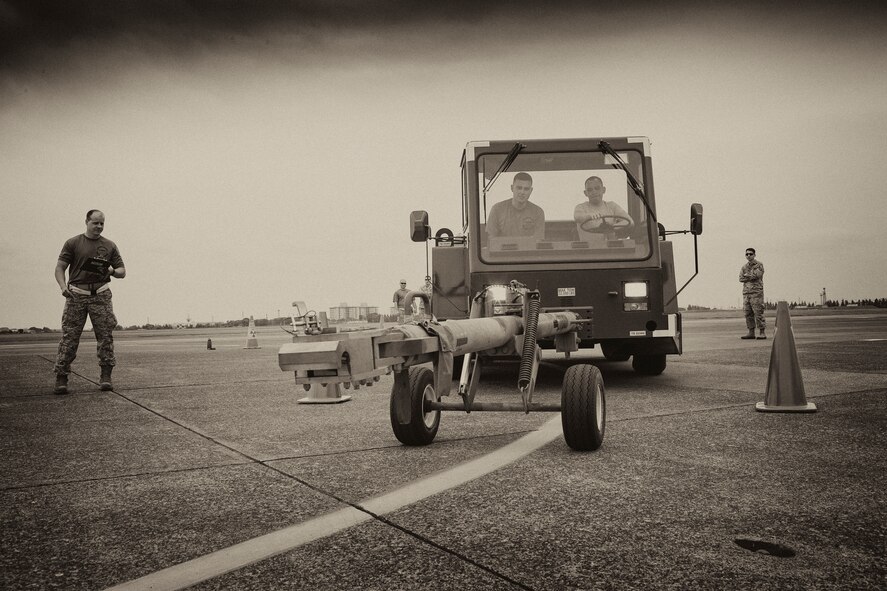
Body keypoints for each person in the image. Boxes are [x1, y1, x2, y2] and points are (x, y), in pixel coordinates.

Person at [53, 210, 126, 394]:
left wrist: (111, 271)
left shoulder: (109, 245)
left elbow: (122, 271)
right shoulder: (73, 243)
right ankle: (61, 377)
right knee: (69, 338)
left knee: (105, 337)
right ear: (86, 221)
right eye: (95, 223)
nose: (99, 227)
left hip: (101, 295)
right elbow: (60, 268)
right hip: (76, 294)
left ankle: (106, 376)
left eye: (102, 223)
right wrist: (63, 287)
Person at [486, 172, 545, 239]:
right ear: (512, 188)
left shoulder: (538, 212)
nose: (522, 192)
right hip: (503, 249)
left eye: (526, 189)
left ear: (531, 191)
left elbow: (538, 241)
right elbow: (491, 240)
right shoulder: (497, 209)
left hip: (528, 249)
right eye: (519, 188)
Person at [739, 247, 766, 339]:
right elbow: (740, 278)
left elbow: (757, 275)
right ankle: (751, 332)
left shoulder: (759, 265)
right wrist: (750, 276)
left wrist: (748, 276)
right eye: (747, 254)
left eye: (750, 254)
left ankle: (762, 332)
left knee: (758, 312)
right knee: (748, 313)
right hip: (746, 293)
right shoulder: (744, 267)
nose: (749, 255)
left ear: (754, 255)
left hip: (756, 292)